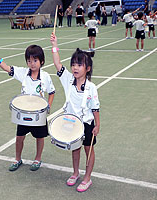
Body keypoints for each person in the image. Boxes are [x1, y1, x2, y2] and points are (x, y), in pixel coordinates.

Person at [0, 45, 55, 172]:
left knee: (40, 137)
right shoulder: (23, 73)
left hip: (39, 114)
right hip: (24, 112)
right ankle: (17, 159)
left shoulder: (45, 76)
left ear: (41, 61)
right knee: (19, 137)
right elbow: (6, 68)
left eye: (35, 60)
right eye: (29, 61)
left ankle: (37, 158)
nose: (31, 64)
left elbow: (52, 92)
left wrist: (48, 105)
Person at [50, 33, 100, 192]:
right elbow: (57, 64)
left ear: (88, 68)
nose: (75, 68)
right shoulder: (68, 80)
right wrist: (54, 44)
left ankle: (87, 178)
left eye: (80, 65)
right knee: (75, 148)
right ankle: (76, 173)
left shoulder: (91, 87)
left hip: (87, 123)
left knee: (88, 149)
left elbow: (95, 108)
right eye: (73, 64)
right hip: (72, 122)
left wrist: (97, 125)